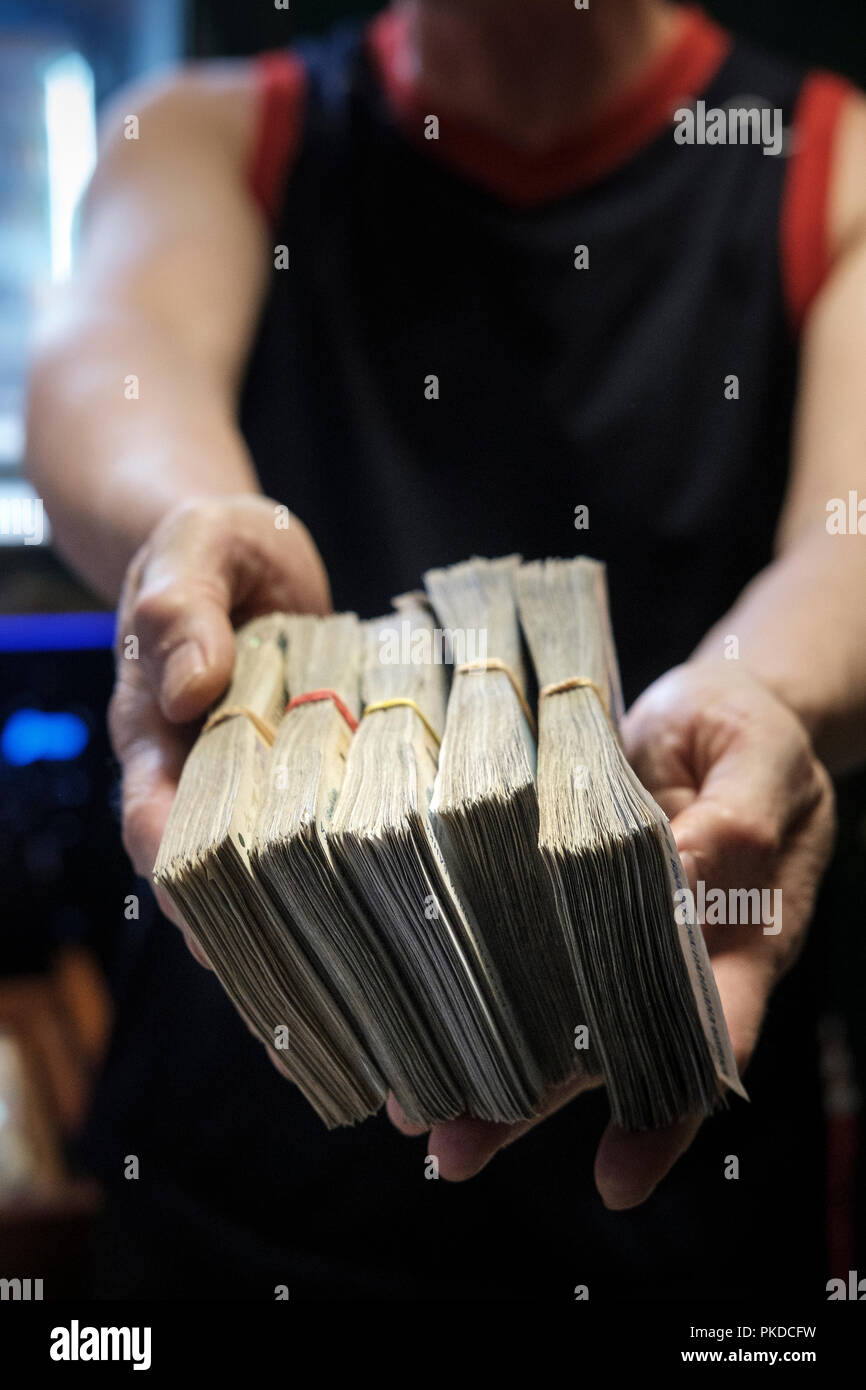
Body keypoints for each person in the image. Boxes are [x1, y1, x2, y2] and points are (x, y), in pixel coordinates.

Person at [26, 0, 861, 1299]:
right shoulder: (214, 128)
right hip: (246, 1159)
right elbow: (105, 354)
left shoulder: (827, 157)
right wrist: (189, 526)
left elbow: (849, 533)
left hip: (672, 1177)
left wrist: (765, 688)